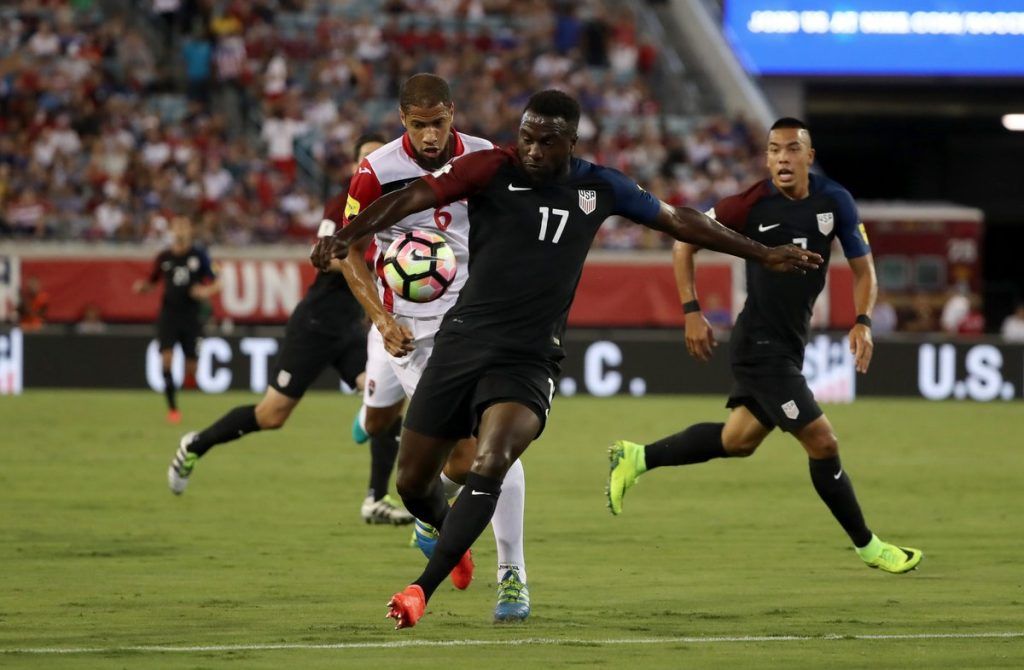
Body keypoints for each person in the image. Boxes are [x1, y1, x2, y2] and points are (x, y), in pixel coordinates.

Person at [311, 90, 820, 628]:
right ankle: (446, 535)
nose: (530, 149)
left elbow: (680, 220)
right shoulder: (488, 167)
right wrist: (348, 234)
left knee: (492, 463)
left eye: (545, 141)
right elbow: (414, 197)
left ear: (571, 143)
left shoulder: (600, 186)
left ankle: (435, 587)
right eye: (526, 136)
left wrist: (762, 253)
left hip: (529, 359)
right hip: (462, 343)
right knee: (413, 483)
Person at [606, 117, 922, 576]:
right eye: (774, 150)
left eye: (792, 149)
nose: (781, 158)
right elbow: (683, 241)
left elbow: (863, 270)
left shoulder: (835, 201)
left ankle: (636, 457)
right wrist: (691, 310)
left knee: (738, 440)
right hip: (760, 345)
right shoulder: (751, 202)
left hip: (790, 345)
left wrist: (864, 321)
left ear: (809, 156)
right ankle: (868, 545)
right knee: (823, 442)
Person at [336, 73, 532, 622]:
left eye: (437, 123)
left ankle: (511, 575)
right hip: (412, 334)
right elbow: (346, 251)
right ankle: (431, 508)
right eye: (418, 126)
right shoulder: (375, 173)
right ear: (403, 121)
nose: (428, 136)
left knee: (496, 451)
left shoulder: (486, 157)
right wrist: (379, 317)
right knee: (409, 440)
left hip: (480, 322)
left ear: (452, 113)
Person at [165, 136, 416, 525]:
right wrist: (367, 267)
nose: (375, 163)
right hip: (315, 325)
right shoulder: (344, 204)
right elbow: (325, 255)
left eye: (380, 156)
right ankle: (196, 443)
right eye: (367, 157)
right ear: (355, 167)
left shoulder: (396, 207)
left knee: (385, 399)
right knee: (272, 415)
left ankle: (375, 498)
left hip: (350, 328)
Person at [134, 215, 220, 423]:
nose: (180, 231)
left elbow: (218, 282)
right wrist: (143, 288)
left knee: (191, 367)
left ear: (190, 230)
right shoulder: (164, 257)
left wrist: (204, 291)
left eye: (184, 226)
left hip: (191, 316)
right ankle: (172, 408)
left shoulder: (199, 255)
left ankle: (188, 383)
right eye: (177, 227)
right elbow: (152, 282)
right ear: (171, 231)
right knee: (167, 358)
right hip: (169, 315)